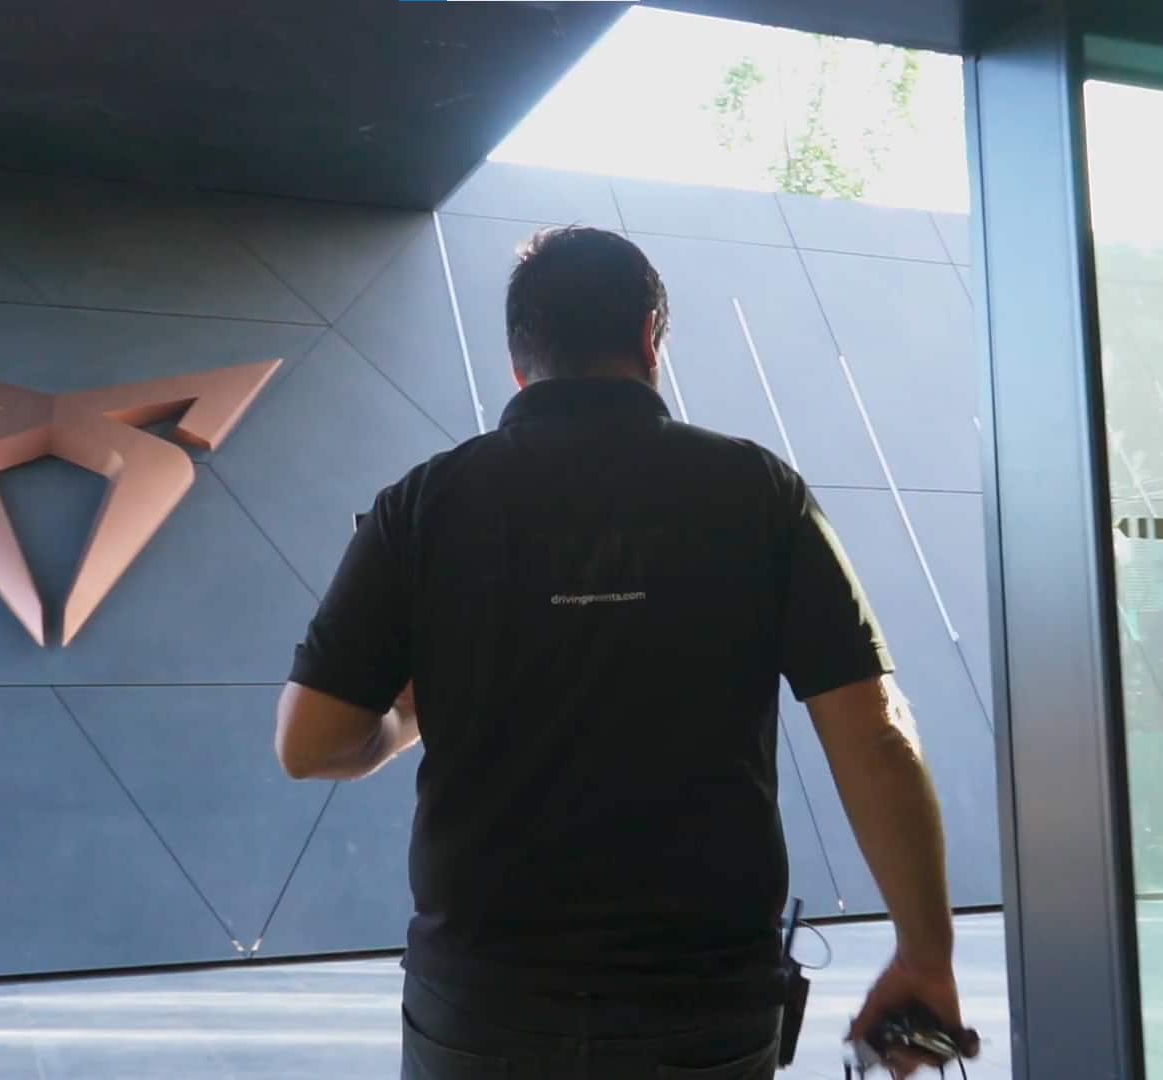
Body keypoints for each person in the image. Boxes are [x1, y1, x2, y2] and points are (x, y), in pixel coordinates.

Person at [274, 226, 972, 1080]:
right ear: (649, 339)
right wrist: (926, 955)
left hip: (482, 1001)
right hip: (701, 1002)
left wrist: (407, 721)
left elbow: (307, 745)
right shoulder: (758, 494)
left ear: (519, 360)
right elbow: (877, 736)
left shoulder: (422, 505)